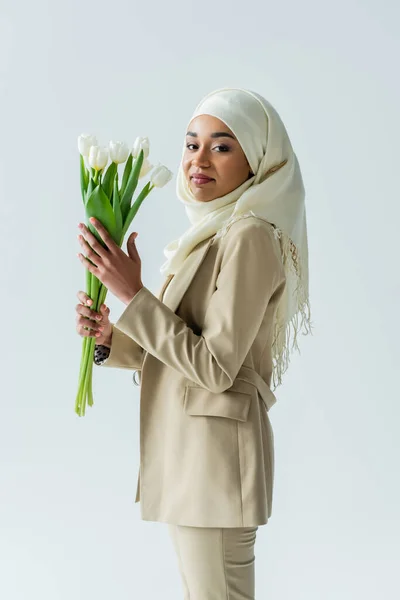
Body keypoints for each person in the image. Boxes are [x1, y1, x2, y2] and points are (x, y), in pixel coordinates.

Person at [75, 87, 312, 599]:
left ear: (258, 162)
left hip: (214, 464)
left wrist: (133, 293)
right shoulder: (210, 235)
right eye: (190, 144)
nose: (197, 160)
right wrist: (110, 337)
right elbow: (175, 350)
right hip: (193, 459)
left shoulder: (248, 237)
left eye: (222, 146)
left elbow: (214, 367)